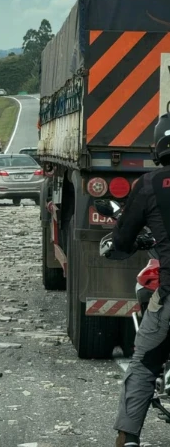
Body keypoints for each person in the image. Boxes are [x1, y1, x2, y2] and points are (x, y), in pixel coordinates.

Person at [112, 113, 170, 447]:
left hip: (169, 293)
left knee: (144, 364)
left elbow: (121, 241)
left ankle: (129, 437)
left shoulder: (149, 184)